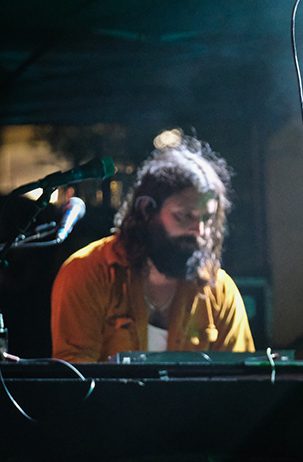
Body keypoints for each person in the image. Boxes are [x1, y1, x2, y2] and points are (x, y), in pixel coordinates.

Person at [51, 135, 254, 362]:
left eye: (207, 218)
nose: (200, 231)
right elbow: (75, 380)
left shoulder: (220, 291)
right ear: (147, 210)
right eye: (183, 216)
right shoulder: (86, 272)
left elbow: (239, 382)